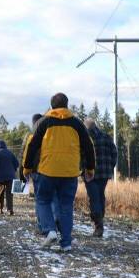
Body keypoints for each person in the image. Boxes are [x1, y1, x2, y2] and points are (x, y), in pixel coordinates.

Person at [22, 93, 95, 252]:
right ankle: (66, 243)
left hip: (47, 170)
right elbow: (89, 146)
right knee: (66, 206)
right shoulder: (77, 123)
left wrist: (26, 168)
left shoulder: (43, 122)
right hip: (70, 172)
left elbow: (31, 145)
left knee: (43, 200)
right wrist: (90, 169)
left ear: (52, 106)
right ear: (67, 105)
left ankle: (50, 230)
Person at [83, 118, 118, 237]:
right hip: (104, 173)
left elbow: (82, 156)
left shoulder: (85, 138)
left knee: (94, 198)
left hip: (89, 174)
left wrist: (82, 170)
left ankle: (98, 225)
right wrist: (110, 167)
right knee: (100, 196)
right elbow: (114, 153)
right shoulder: (106, 137)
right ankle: (100, 221)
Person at [0, 140, 20, 215]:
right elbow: (17, 164)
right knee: (9, 193)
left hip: (0, 176)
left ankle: (0, 209)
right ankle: (10, 210)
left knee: (1, 193)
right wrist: (13, 170)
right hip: (10, 176)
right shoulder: (10, 153)